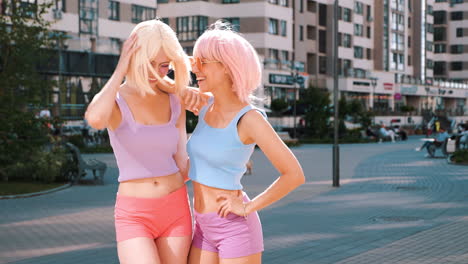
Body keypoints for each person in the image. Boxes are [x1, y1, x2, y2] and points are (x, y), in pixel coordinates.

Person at [187, 21, 305, 264]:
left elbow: (294, 174)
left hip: (234, 229)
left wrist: (247, 208)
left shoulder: (249, 119)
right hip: (201, 225)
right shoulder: (204, 104)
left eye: (203, 62)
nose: (196, 68)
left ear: (229, 67)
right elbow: (164, 86)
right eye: (194, 60)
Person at [85, 20, 197, 264]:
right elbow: (94, 118)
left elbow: (182, 161)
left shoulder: (175, 100)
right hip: (134, 214)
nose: (157, 72)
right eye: (149, 63)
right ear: (133, 58)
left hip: (176, 207)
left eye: (164, 65)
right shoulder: (116, 101)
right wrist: (120, 70)